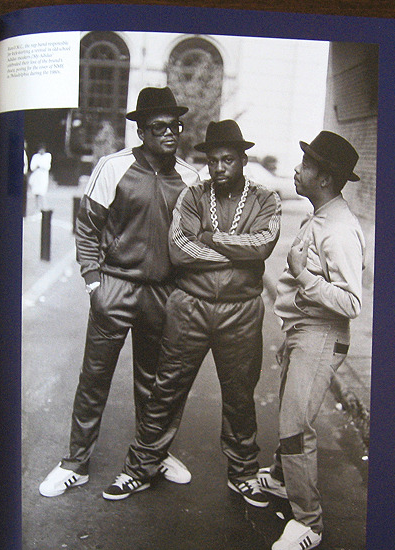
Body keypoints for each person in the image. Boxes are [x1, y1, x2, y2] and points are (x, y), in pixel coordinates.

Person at [103, 120, 281, 507]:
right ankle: (140, 468)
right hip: (189, 306)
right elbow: (180, 250)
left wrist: (211, 238)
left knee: (240, 396)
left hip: (240, 311)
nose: (219, 167)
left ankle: (243, 473)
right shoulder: (193, 194)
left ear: (243, 159)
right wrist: (236, 255)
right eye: (213, 160)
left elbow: (262, 246)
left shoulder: (266, 198)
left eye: (228, 159)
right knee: (165, 389)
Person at [39, 87, 201, 497]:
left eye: (175, 126)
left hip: (162, 293)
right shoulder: (113, 167)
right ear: (141, 132)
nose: (170, 133)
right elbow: (87, 227)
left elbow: (193, 241)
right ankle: (76, 463)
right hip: (115, 286)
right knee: (95, 378)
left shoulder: (190, 178)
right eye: (159, 127)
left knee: (154, 383)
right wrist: (94, 280)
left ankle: (153, 454)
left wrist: (182, 291)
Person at [256, 131, 365, 550]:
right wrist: (292, 336)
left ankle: (308, 522)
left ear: (324, 178)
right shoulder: (320, 216)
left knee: (295, 426)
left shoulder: (338, 229)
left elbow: (351, 302)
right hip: (305, 333)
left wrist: (303, 275)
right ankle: (283, 479)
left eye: (305, 165)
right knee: (291, 412)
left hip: (321, 335)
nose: (296, 170)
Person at [27, 144, 52, 213]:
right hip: (36, 176)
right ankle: (36, 208)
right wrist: (37, 165)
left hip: (43, 176)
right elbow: (32, 166)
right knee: (36, 192)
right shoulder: (35, 156)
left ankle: (43, 207)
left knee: (42, 192)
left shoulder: (47, 156)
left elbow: (47, 166)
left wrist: (40, 165)